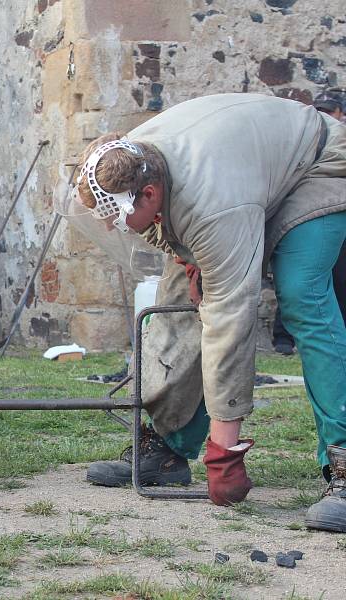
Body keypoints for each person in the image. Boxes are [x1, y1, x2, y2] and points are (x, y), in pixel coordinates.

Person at [73, 93, 346, 532]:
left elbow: (231, 319)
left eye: (115, 216)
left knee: (301, 297)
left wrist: (225, 453)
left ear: (148, 192)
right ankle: (170, 446)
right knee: (180, 298)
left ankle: (344, 461)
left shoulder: (212, 204)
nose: (110, 226)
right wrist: (186, 259)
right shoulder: (126, 157)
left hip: (317, 165)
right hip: (246, 175)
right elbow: (165, 231)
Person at [271, 90, 346, 355]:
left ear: (340, 113)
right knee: (298, 278)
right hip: (303, 212)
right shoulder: (302, 134)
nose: (324, 113)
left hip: (332, 209)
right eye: (320, 108)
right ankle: (283, 336)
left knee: (327, 279)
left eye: (329, 109)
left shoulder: (337, 137)